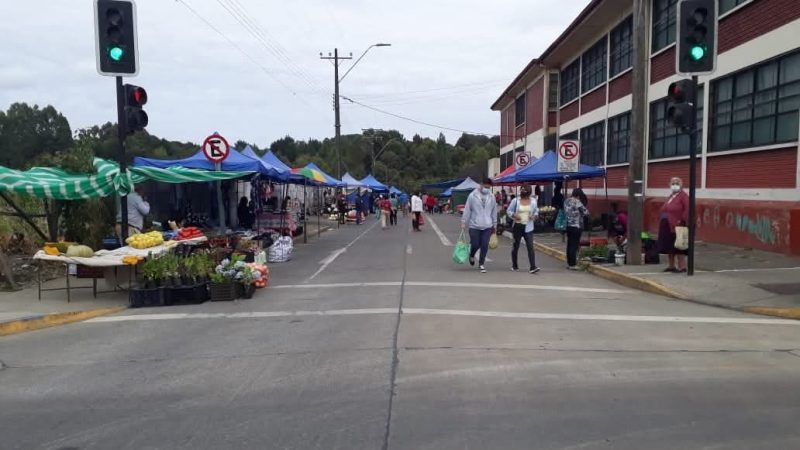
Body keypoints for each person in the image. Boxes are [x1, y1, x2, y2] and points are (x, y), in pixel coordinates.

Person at [461, 178, 497, 273]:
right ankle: (472, 255)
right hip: (474, 225)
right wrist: (464, 221)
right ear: (481, 184)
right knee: (475, 244)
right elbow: (467, 209)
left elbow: (494, 211)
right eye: (485, 187)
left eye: (489, 187)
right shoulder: (472, 195)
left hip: (487, 225)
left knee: (484, 244)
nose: (487, 189)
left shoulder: (492, 196)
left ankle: (481, 264)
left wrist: (494, 224)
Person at [657, 176, 689, 273]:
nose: (674, 185)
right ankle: (671, 265)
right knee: (669, 245)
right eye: (673, 183)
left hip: (677, 224)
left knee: (679, 245)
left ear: (681, 185)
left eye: (677, 183)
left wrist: (682, 220)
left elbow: (688, 209)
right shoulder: (671, 196)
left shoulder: (683, 196)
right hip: (666, 223)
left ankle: (682, 266)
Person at [507, 186, 540, 274]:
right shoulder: (515, 201)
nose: (525, 197)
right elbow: (509, 211)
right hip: (518, 226)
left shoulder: (533, 201)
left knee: (530, 247)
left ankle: (533, 267)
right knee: (516, 246)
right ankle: (515, 265)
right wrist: (514, 215)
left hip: (528, 227)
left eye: (527, 194)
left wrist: (534, 216)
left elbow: (536, 211)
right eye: (523, 194)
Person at [565, 188, 589, 270]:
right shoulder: (577, 202)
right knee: (574, 245)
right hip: (576, 226)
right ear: (578, 195)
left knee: (569, 244)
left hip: (568, 225)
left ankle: (569, 263)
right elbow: (585, 212)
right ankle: (573, 264)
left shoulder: (567, 201)